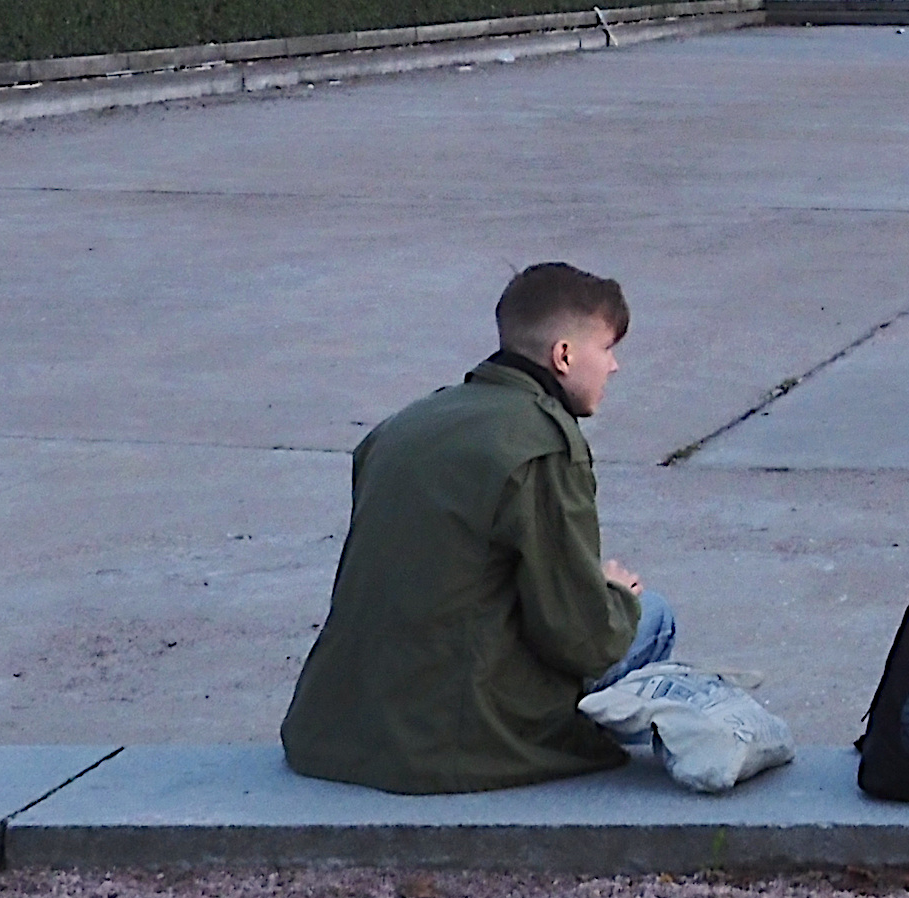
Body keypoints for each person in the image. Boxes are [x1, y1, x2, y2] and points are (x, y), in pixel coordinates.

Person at [281, 261, 673, 793]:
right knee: (651, 617)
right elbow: (579, 637)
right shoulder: (542, 442)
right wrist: (613, 595)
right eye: (606, 349)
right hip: (449, 743)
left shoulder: (407, 423)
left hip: (333, 728)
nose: (615, 366)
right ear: (564, 355)